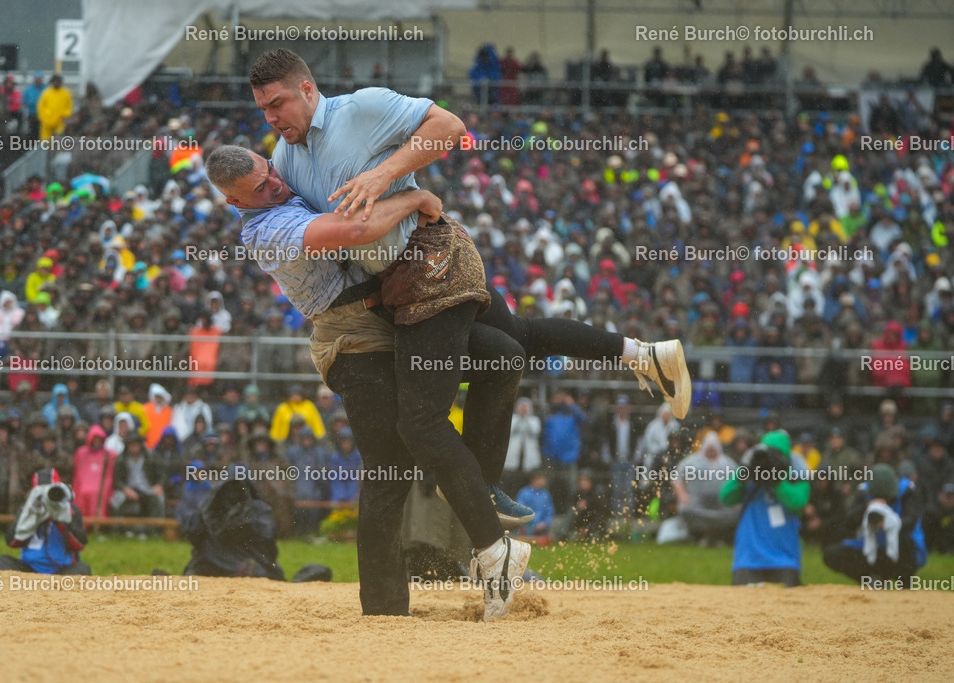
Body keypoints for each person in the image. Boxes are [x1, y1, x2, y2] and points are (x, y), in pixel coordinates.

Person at [235, 48, 690, 617]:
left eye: (277, 103)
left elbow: (449, 126)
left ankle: (492, 537)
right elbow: (340, 234)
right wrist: (413, 198)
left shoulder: (362, 108)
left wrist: (386, 174)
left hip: (425, 266)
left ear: (306, 89)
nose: (271, 116)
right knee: (509, 343)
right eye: (262, 109)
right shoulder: (283, 162)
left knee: (423, 420)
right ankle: (642, 354)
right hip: (397, 286)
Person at [720, 431, 811, 587]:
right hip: (748, 559)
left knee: (789, 607)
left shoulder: (795, 477)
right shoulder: (749, 475)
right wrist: (744, 472)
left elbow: (798, 502)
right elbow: (726, 497)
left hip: (784, 559)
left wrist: (776, 481)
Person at [823, 463, 927, 588]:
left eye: (886, 498)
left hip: (900, 550)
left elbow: (911, 521)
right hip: (871, 548)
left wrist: (888, 523)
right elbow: (849, 523)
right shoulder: (864, 491)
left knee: (906, 541)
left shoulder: (907, 490)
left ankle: (905, 584)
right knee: (831, 553)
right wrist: (866, 507)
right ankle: (873, 580)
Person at [182, 464, 286, 580]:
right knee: (271, 572)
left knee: (195, 570)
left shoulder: (208, 505)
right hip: (250, 564)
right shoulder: (260, 508)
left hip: (209, 563)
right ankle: (244, 573)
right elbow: (269, 541)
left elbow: (192, 532)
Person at [0, 468, 90, 575]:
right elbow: (12, 541)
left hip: (61, 570)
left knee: (82, 569)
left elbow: (80, 544)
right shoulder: (26, 510)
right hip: (30, 570)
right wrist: (32, 516)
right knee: (2, 561)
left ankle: (54, 589)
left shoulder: (71, 511)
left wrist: (60, 519)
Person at [672, 432, 739, 545]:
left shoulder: (728, 463)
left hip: (722, 503)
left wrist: (736, 500)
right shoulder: (691, 462)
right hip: (697, 503)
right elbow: (676, 478)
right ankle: (699, 537)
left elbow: (739, 481)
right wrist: (682, 495)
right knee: (685, 509)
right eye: (709, 448)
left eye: (714, 448)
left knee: (738, 512)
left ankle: (721, 538)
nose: (711, 451)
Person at [515, 473, 555, 537]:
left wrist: (544, 523)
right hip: (525, 526)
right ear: (535, 479)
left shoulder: (546, 494)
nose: (545, 481)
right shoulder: (524, 493)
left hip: (541, 527)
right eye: (542, 478)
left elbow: (550, 512)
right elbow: (519, 510)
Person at [37, 74, 73, 140]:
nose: (56, 83)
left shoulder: (66, 93)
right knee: (45, 140)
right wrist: (44, 116)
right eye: (54, 81)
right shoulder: (46, 92)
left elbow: (69, 106)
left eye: (57, 81)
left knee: (59, 139)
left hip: (60, 122)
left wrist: (65, 115)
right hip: (47, 122)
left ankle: (56, 149)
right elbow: (41, 106)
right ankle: (46, 150)